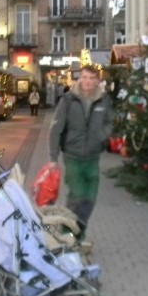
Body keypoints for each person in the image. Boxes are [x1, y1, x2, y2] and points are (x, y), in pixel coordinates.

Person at [47, 65, 113, 232]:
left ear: (97, 81)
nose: (88, 82)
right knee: (77, 196)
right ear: (79, 79)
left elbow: (109, 122)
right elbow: (56, 129)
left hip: (93, 157)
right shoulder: (68, 100)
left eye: (92, 78)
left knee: (90, 198)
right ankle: (66, 233)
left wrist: (101, 136)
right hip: (73, 156)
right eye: (85, 77)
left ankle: (78, 233)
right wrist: (53, 158)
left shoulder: (103, 100)